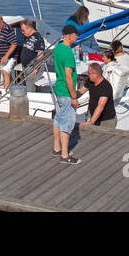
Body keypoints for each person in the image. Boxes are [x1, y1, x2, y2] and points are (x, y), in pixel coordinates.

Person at [52, 24, 81, 165]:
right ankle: (64, 155)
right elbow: (69, 76)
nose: (77, 38)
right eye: (76, 35)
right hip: (66, 91)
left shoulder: (58, 48)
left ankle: (57, 147)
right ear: (69, 35)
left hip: (58, 88)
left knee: (58, 118)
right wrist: (74, 97)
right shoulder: (68, 53)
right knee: (67, 123)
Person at [85, 62, 116, 130]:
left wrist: (91, 122)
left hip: (107, 120)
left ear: (95, 74)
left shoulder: (105, 86)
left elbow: (100, 106)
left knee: (104, 140)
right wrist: (72, 97)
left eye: (89, 73)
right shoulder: (90, 81)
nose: (88, 75)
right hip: (96, 117)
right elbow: (81, 91)